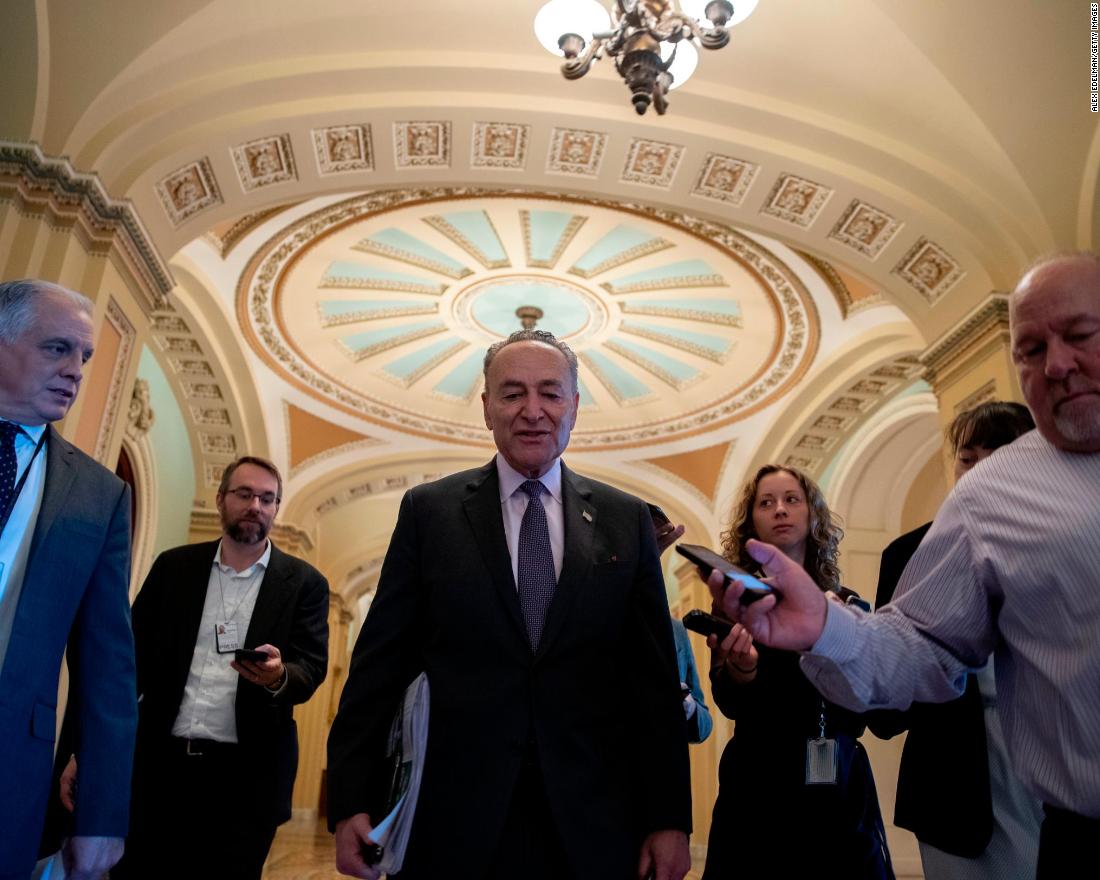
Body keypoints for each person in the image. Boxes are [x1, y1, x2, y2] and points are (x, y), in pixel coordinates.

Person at [706, 252, 1100, 878]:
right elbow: (923, 649)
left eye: (1081, 335)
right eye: (1027, 349)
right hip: (1065, 827)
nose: (1056, 365)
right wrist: (826, 633)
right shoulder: (991, 498)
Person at [327, 329, 692, 880]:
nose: (533, 411)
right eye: (513, 393)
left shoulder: (627, 518)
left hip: (593, 821)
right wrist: (351, 798)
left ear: (574, 406)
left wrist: (669, 818)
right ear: (487, 408)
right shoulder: (429, 513)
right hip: (453, 819)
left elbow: (653, 683)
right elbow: (380, 665)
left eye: (550, 393)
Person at [101, 455, 329, 880]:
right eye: (244, 494)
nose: (255, 506)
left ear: (276, 509)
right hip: (159, 768)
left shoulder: (304, 584)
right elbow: (126, 663)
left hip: (246, 781)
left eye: (267, 498)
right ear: (222, 499)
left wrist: (279, 676)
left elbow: (312, 668)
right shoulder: (174, 568)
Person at [0, 280, 136, 880]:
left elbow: (108, 665)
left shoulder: (99, 495)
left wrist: (101, 816)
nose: (75, 370)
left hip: (9, 772)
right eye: (58, 348)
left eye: (84, 356)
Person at [871, 401, 1042, 878]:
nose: (979, 470)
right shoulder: (910, 554)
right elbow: (889, 713)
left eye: (999, 454)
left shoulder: (1073, 535)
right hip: (953, 782)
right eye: (968, 457)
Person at [701, 466, 893, 879]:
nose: (780, 510)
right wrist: (743, 669)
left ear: (812, 514)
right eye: (766, 503)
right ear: (751, 521)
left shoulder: (845, 603)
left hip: (837, 777)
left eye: (792, 499)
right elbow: (729, 702)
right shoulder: (735, 602)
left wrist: (841, 650)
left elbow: (868, 711)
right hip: (758, 782)